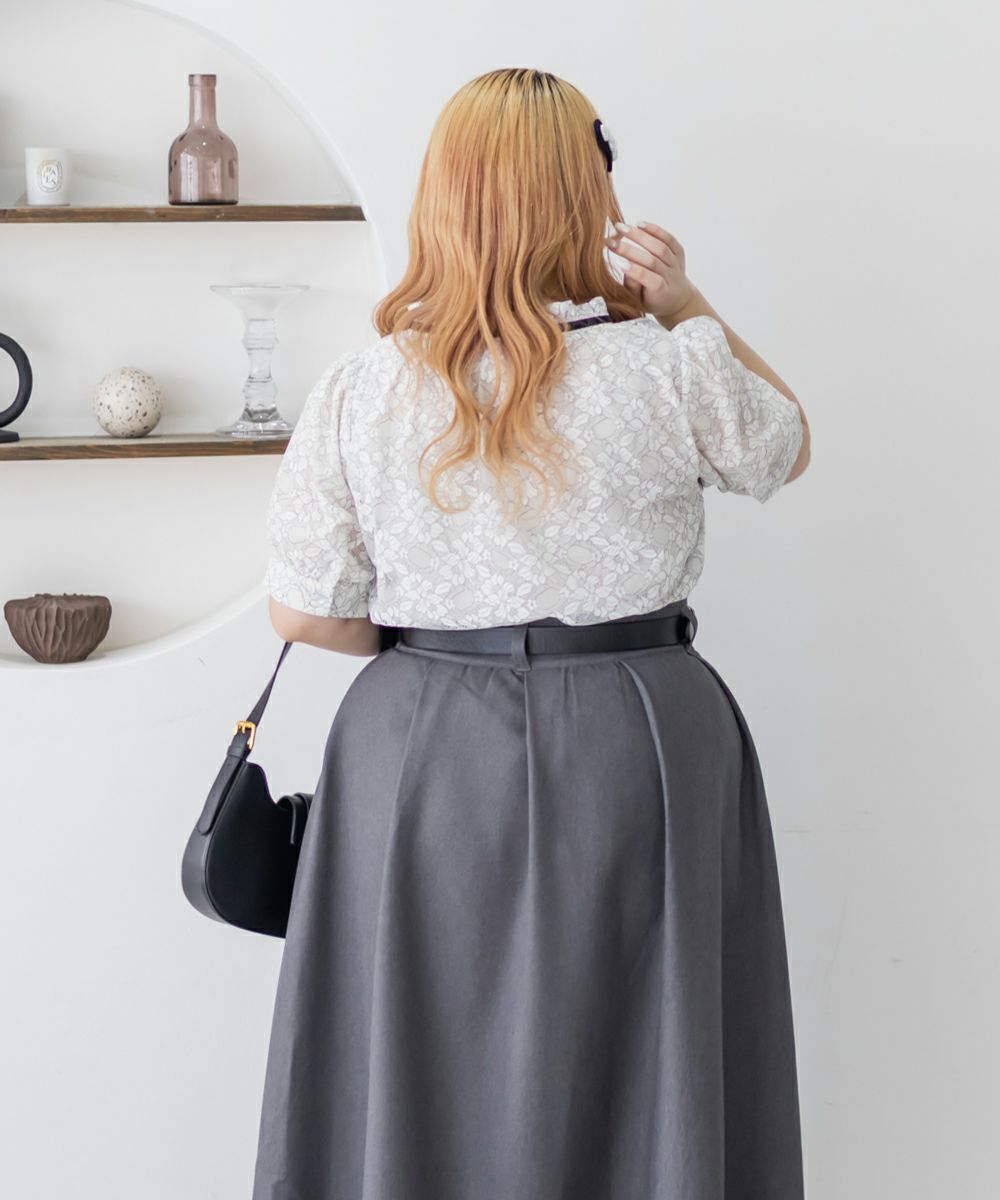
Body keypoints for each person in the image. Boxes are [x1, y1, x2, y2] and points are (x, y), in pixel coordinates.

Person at [252, 67, 810, 1200]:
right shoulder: (668, 363)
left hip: (419, 742)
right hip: (639, 729)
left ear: (442, 198)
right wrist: (686, 304)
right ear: (584, 194)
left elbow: (304, 609)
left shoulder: (363, 386)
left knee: (417, 1047)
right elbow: (782, 448)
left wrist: (437, 649)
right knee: (646, 1044)